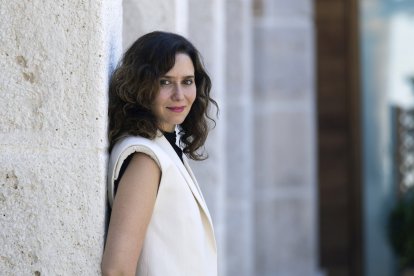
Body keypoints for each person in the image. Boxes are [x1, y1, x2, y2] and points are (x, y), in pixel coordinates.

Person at [101, 31, 218, 276]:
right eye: (165, 82)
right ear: (141, 86)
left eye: (187, 81)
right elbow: (117, 269)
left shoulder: (164, 147)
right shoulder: (146, 159)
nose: (179, 95)